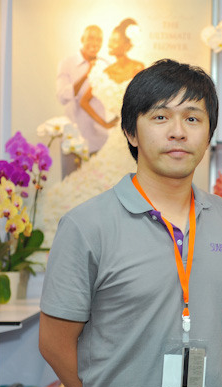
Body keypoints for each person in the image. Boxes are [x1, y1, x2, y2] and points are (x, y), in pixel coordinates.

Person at [39, 59, 222, 387]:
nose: (178, 132)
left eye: (192, 118)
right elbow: (54, 343)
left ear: (208, 133)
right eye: (160, 117)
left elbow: (218, 315)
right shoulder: (87, 225)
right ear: (131, 132)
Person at [38, 18, 145, 249]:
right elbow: (77, 99)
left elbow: (145, 103)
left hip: (113, 138)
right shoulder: (92, 67)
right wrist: (106, 122)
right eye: (97, 39)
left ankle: (119, 241)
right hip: (80, 137)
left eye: (110, 41)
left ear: (126, 44)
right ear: (82, 39)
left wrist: (122, 122)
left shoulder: (131, 67)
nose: (106, 45)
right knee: (81, 188)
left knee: (120, 188)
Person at [56, 25, 109, 176]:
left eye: (99, 39)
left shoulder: (105, 65)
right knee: (70, 183)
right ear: (82, 39)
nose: (95, 43)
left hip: (99, 138)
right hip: (73, 138)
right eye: (91, 38)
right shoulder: (67, 63)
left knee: (99, 184)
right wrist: (87, 74)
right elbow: (62, 96)